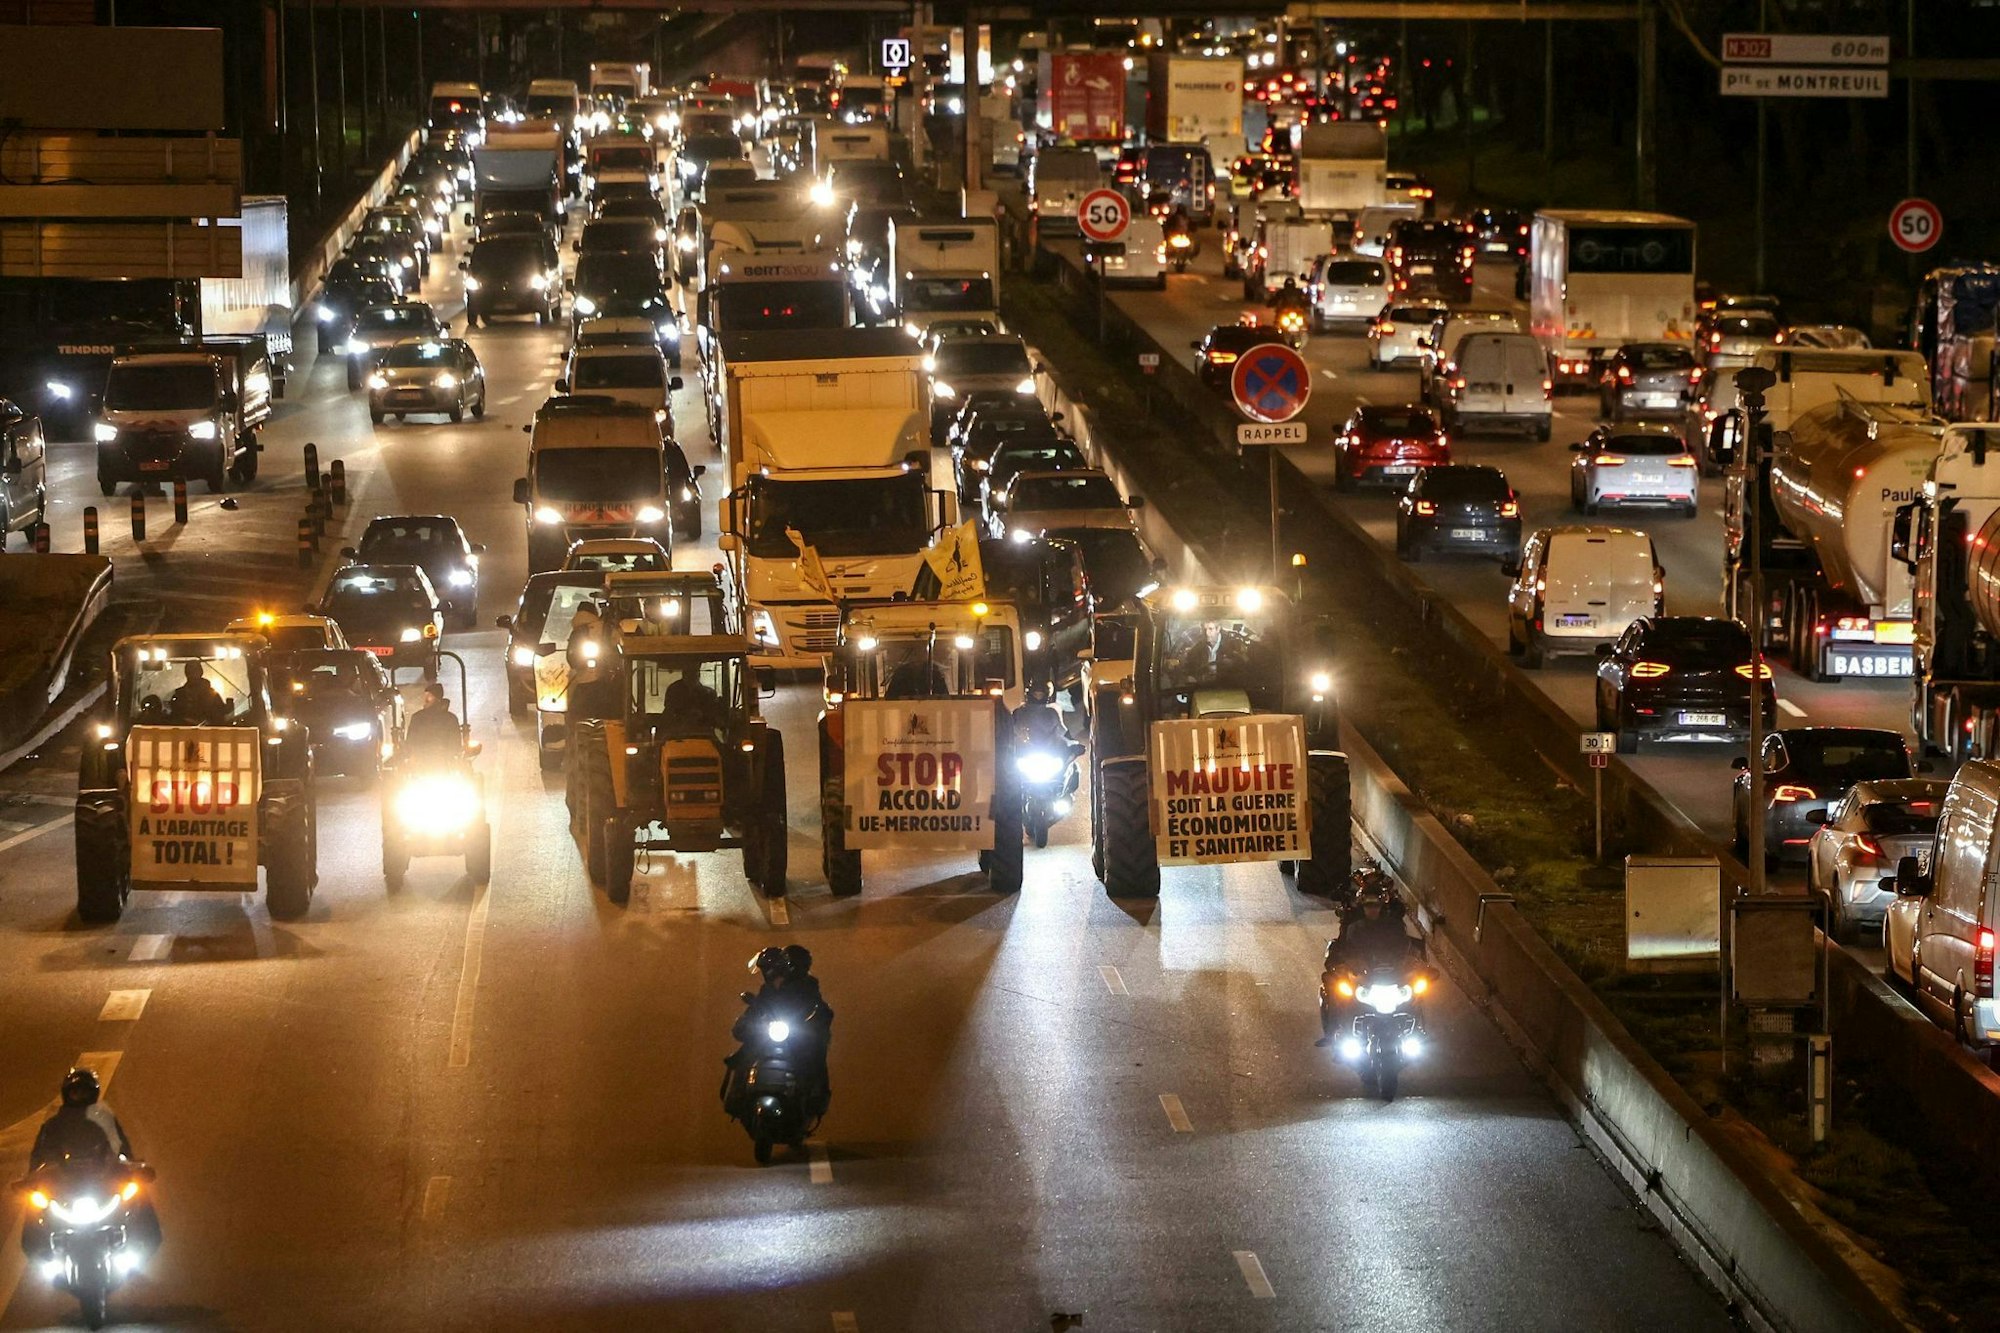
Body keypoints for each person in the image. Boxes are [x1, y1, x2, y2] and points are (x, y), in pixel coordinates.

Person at [22, 1068, 162, 1263]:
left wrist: (133, 1169)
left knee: (137, 1192)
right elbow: (38, 1158)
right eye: (75, 1092)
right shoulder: (52, 1126)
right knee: (33, 1202)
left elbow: (122, 1150)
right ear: (67, 1094)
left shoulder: (106, 1120)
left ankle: (142, 1241)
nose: (79, 1096)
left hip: (101, 1181)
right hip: (66, 1184)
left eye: (84, 1092)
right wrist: (31, 1181)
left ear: (93, 1093)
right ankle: (41, 1250)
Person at [1317, 876, 1426, 1047]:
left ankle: (1418, 1030)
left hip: (1390, 976)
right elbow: (1343, 950)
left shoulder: (1394, 926)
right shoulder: (1353, 927)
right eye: (1368, 905)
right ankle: (1333, 1033)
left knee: (1417, 992)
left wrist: (1417, 966)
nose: (1372, 909)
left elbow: (1405, 948)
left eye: (1375, 905)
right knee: (1333, 987)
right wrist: (1340, 966)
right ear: (1362, 905)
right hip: (1363, 976)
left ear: (1382, 906)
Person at [402, 683, 460, 762]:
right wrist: (411, 755)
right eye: (425, 696)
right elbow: (410, 740)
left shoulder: (450, 719)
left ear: (437, 698)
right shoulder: (417, 717)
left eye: (429, 696)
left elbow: (455, 743)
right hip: (421, 763)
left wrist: (450, 757)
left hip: (443, 763)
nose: (425, 699)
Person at [660, 670, 725, 734]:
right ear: (684, 676)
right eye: (689, 675)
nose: (691, 679)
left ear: (699, 675)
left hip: (704, 735)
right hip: (676, 735)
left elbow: (714, 718)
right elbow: (669, 711)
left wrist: (702, 716)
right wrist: (683, 716)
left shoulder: (709, 694)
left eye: (694, 675)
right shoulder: (674, 690)